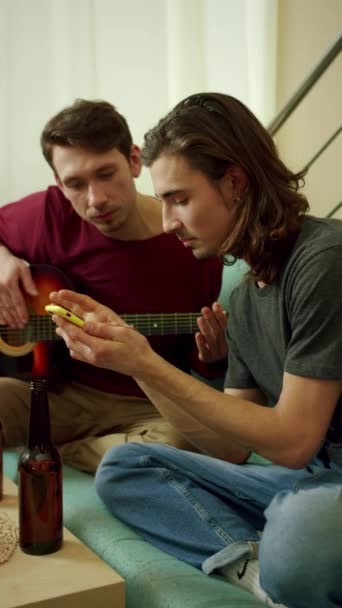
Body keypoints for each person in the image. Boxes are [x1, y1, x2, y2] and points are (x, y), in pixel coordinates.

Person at [48, 93, 342, 608]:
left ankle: (284, 554)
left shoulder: (323, 262)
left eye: (179, 199)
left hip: (316, 488)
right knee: (125, 466)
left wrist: (145, 361)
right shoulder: (248, 297)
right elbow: (228, 447)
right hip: (309, 482)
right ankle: (254, 568)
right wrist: (132, 360)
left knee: (303, 527)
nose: (166, 223)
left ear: (234, 182)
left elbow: (293, 439)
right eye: (161, 201)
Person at [0, 98, 228, 473]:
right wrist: (4, 261)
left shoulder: (191, 240)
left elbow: (196, 363)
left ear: (135, 161)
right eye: (75, 184)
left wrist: (214, 357)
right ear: (59, 184)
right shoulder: (49, 213)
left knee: (185, 442)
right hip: (54, 392)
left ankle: (69, 452)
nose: (96, 199)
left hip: (145, 403)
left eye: (106, 174)